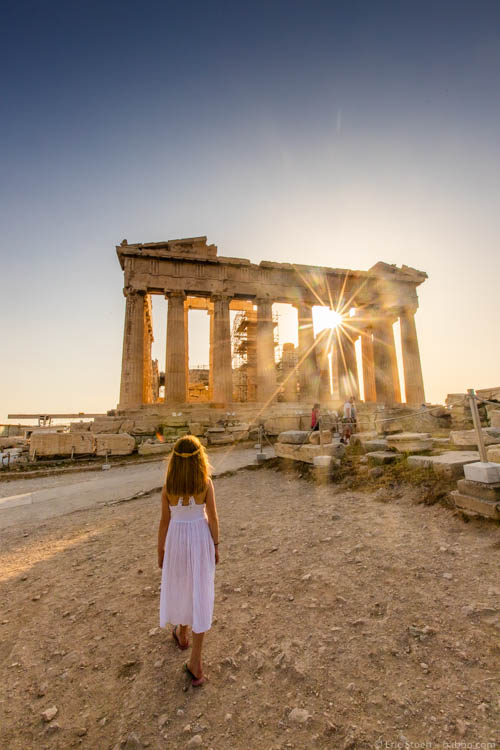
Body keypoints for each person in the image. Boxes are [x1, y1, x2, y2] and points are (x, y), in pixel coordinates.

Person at [158, 435, 219, 687]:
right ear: (199, 460)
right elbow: (213, 518)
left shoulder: (168, 488)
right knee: (199, 590)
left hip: (176, 539)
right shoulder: (205, 483)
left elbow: (164, 522)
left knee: (181, 585)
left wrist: (160, 551)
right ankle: (196, 659)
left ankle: (182, 634)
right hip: (199, 537)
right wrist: (216, 545)